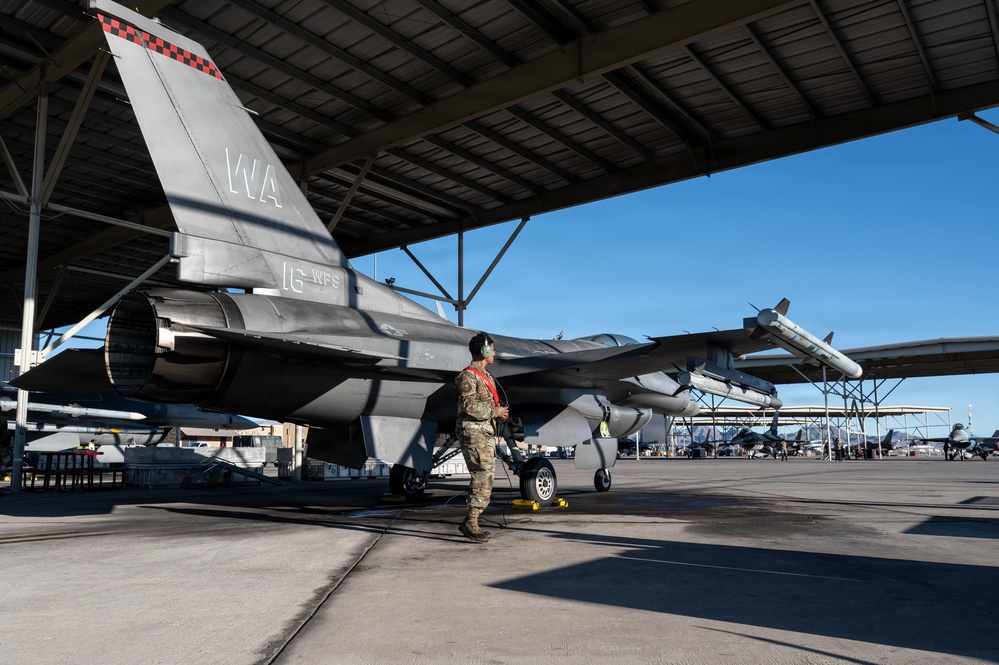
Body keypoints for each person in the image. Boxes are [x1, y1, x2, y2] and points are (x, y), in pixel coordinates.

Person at [454, 333, 509, 543]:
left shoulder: (485, 376)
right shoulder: (468, 376)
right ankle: (471, 521)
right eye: (492, 349)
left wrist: (499, 412)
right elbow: (468, 406)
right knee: (482, 475)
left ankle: (472, 520)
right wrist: (495, 412)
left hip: (484, 432)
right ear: (484, 351)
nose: (494, 353)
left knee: (484, 476)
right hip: (474, 432)